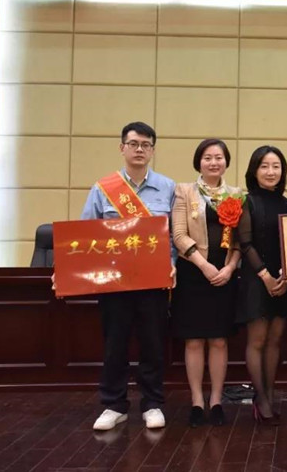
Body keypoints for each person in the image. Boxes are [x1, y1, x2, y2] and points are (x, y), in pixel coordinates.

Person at [80, 122, 176, 431]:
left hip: (154, 281)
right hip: (114, 283)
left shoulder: (168, 187)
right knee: (115, 344)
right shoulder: (103, 188)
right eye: (133, 144)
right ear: (122, 148)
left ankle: (152, 403)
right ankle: (114, 405)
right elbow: (85, 235)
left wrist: (172, 262)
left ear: (152, 151)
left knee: (153, 344)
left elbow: (174, 235)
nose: (139, 149)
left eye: (146, 145)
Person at [171, 139, 242, 427]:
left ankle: (216, 401)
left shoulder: (236, 194)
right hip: (193, 274)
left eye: (219, 157)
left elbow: (240, 240)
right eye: (208, 157)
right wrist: (204, 265)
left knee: (219, 339)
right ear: (198, 162)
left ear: (226, 162)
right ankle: (197, 401)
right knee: (194, 340)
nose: (214, 162)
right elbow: (178, 234)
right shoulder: (184, 191)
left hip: (224, 275)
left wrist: (230, 267)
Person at [237, 146, 287, 424]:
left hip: (284, 279)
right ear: (254, 171)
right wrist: (265, 275)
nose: (270, 172)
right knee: (258, 340)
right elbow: (245, 243)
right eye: (264, 166)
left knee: (275, 340)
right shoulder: (247, 201)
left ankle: (270, 393)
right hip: (256, 279)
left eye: (276, 166)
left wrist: (285, 276)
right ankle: (260, 398)